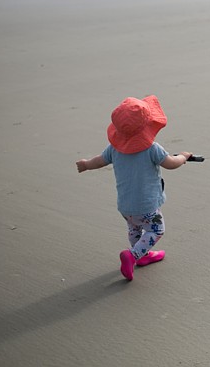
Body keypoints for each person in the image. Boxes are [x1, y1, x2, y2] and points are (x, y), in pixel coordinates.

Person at [76, 95, 194, 281]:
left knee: (134, 228)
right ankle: (133, 255)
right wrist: (184, 156)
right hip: (146, 206)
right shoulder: (152, 149)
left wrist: (85, 164)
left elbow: (98, 161)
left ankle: (141, 255)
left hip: (125, 205)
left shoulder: (114, 148)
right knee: (156, 230)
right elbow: (171, 163)